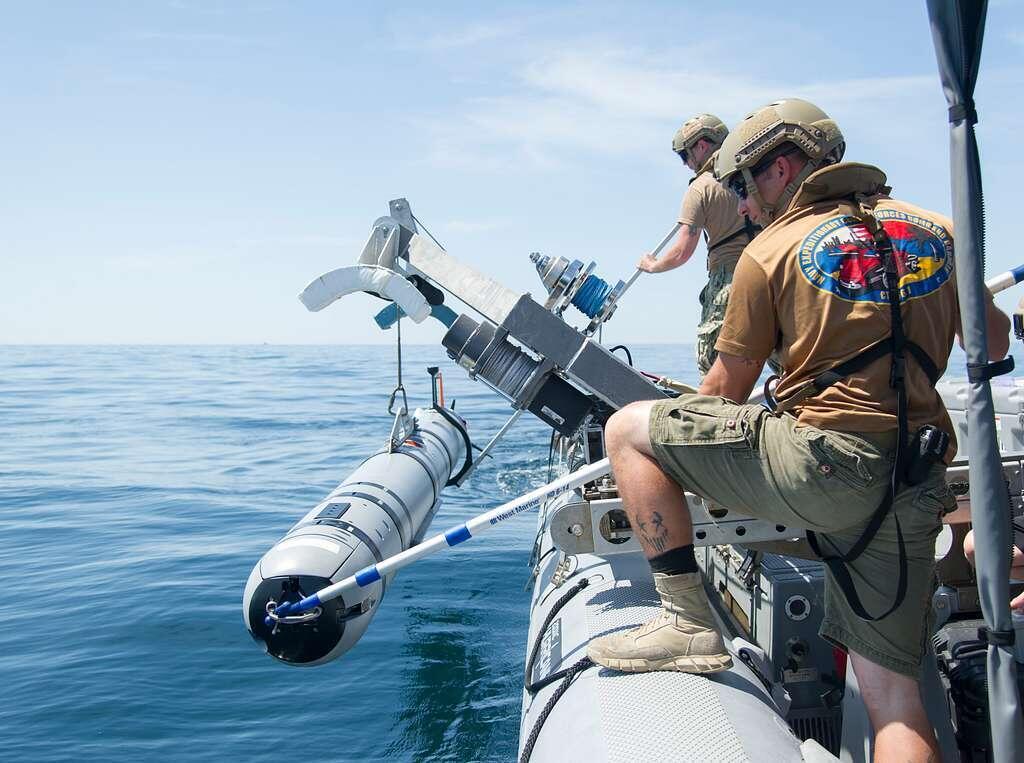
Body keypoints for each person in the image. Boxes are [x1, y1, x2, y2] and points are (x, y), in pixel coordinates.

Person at [587, 98, 1010, 762]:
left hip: (820, 469)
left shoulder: (770, 251)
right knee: (894, 701)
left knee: (628, 431)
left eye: (741, 186)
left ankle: (687, 621)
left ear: (781, 168)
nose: (742, 205)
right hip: (915, 480)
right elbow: (993, 342)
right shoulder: (939, 229)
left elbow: (723, 396)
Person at [639, 113, 760, 377]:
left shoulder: (701, 188)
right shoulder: (757, 176)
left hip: (730, 281)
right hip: (770, 272)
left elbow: (682, 251)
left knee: (712, 365)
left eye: (685, 155)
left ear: (702, 146)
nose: (685, 164)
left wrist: (653, 265)